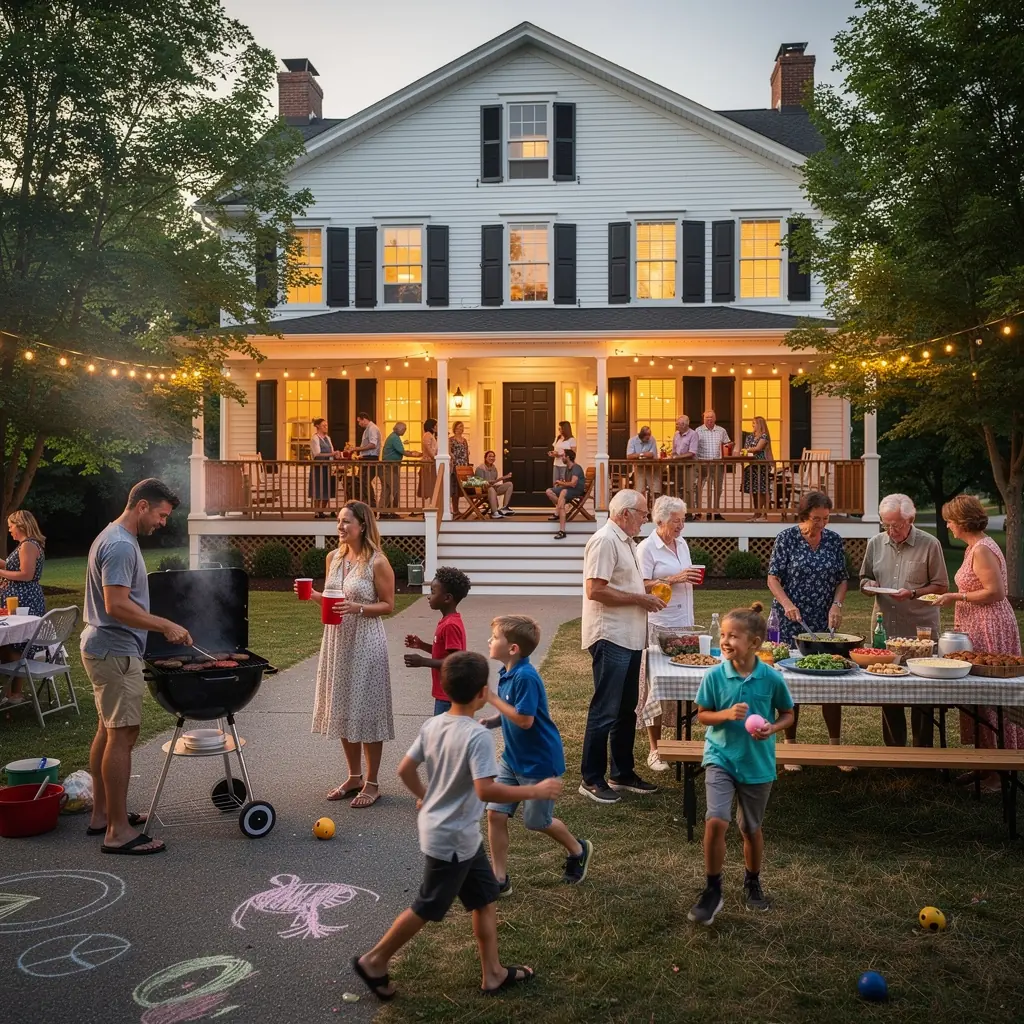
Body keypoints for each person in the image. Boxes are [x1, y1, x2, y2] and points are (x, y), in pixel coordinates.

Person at [351, 650, 561, 1001]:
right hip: (452, 839)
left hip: (460, 835)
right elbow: (486, 790)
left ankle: (493, 973)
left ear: (446, 689)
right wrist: (534, 791)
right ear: (482, 694)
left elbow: (404, 770)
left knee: (485, 898)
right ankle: (374, 960)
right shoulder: (477, 736)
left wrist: (426, 795)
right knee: (428, 905)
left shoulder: (433, 725)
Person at [81, 478, 192, 855]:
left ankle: (103, 815)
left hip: (105, 647)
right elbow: (116, 605)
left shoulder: (112, 537)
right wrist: (165, 625)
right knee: (123, 734)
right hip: (115, 649)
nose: (162, 522)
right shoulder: (121, 545)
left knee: (108, 730)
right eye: (161, 515)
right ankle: (118, 832)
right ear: (142, 505)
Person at [686, 603, 795, 925]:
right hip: (720, 757)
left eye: (733, 636)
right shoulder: (715, 675)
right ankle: (712, 889)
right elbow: (703, 715)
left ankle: (752, 881)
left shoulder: (771, 678)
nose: (725, 641)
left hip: (757, 763)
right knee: (716, 820)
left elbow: (788, 714)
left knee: (750, 828)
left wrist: (773, 728)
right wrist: (725, 714)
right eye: (723, 635)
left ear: (754, 643)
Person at [482, 615, 593, 894]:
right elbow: (512, 710)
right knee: (495, 814)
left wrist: (492, 699)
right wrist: (493, 721)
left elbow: (524, 719)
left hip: (539, 763)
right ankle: (499, 879)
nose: (489, 640)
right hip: (512, 759)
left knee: (536, 822)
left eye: (495, 637)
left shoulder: (526, 677)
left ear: (513, 648)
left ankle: (578, 850)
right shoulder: (507, 673)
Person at [305, 500, 396, 809]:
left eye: (346, 521)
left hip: (366, 641)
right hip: (337, 641)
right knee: (343, 705)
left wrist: (358, 608)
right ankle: (354, 777)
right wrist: (314, 596)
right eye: (338, 520)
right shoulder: (333, 558)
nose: (340, 526)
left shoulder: (378, 562)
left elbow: (388, 605)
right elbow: (333, 600)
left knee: (367, 709)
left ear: (362, 525)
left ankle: (372, 783)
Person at [579, 488, 664, 804]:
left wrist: (648, 591)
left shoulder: (626, 542)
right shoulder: (605, 540)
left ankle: (622, 773)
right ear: (625, 513)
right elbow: (595, 590)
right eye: (642, 513)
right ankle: (591, 779)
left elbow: (623, 584)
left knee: (627, 709)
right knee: (605, 709)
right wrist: (639, 599)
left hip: (629, 637)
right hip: (610, 635)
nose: (645, 519)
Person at [935, 495, 1023, 788]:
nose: (948, 526)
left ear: (962, 522)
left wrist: (956, 596)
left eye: (950, 521)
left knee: (990, 696)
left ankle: (998, 772)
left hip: (989, 625)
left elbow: (996, 592)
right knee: (977, 697)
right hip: (975, 623)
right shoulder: (973, 547)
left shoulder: (983, 549)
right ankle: (984, 764)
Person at [766, 491, 851, 769]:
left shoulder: (833, 540)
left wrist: (837, 605)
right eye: (816, 519)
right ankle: (791, 748)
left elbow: (842, 579)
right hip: (791, 618)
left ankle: (835, 748)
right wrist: (787, 604)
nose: (821, 524)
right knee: (791, 683)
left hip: (823, 620)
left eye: (826, 519)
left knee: (831, 681)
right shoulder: (787, 538)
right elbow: (773, 578)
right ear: (804, 516)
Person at [860, 494, 949, 747]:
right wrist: (869, 585)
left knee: (923, 692)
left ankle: (922, 751)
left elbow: (941, 586)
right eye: (886, 524)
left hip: (920, 632)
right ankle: (895, 750)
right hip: (885, 628)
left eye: (896, 525)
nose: (891, 530)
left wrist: (913, 593)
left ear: (910, 519)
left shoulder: (930, 544)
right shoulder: (875, 543)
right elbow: (864, 578)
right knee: (889, 691)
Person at [636, 496, 702, 771]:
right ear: (660, 520)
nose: (681, 526)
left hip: (684, 624)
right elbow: (640, 585)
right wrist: (674, 579)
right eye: (676, 521)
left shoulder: (682, 544)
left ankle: (680, 744)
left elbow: (685, 575)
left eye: (683, 520)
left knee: (683, 685)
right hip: (659, 625)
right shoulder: (647, 548)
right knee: (656, 689)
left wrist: (688, 578)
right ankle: (655, 749)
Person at [404, 565, 471, 715]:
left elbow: (455, 662)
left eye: (433, 592)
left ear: (447, 598)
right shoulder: (448, 621)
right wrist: (422, 645)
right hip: (445, 692)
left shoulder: (450, 625)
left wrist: (422, 661)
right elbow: (445, 653)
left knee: (443, 730)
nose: (429, 596)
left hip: (448, 695)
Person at [0, 510, 47, 703]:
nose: (10, 530)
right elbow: (14, 568)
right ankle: (11, 692)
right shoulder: (27, 545)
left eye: (11, 526)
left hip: (25, 600)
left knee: (17, 644)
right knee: (11, 644)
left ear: (20, 525)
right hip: (22, 598)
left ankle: (15, 693)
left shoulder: (28, 544)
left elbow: (26, 574)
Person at [695, 410, 730, 520]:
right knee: (699, 488)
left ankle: (716, 511)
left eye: (711, 417)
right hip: (702, 463)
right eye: (707, 417)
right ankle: (698, 511)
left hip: (717, 463)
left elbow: (727, 444)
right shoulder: (698, 431)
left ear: (715, 419)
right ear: (703, 419)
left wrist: (730, 448)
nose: (709, 419)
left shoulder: (721, 430)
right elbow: (694, 447)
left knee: (718, 488)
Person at [380, 422, 420, 519]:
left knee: (387, 489)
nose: (405, 431)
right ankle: (390, 511)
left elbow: (400, 451)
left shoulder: (393, 437)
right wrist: (416, 455)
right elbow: (403, 452)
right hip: (390, 467)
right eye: (404, 429)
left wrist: (411, 452)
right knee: (395, 489)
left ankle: (383, 511)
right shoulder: (395, 438)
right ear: (399, 429)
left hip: (388, 467)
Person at [545, 448, 585, 539]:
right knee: (549, 491)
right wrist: (562, 483)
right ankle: (562, 507)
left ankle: (562, 531)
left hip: (576, 490)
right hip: (569, 489)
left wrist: (561, 483)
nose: (561, 457)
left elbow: (573, 484)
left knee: (563, 493)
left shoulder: (576, 468)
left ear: (568, 457)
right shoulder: (568, 467)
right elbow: (568, 483)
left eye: (563, 456)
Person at [741, 416, 773, 522]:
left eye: (754, 423)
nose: (752, 425)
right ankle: (756, 513)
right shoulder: (750, 437)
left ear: (759, 424)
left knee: (761, 490)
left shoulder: (764, 436)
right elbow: (747, 449)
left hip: (761, 465)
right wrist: (747, 450)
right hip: (751, 466)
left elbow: (758, 448)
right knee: (754, 491)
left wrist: (747, 450)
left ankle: (764, 514)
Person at [308, 418, 341, 519]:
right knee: (318, 488)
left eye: (326, 425)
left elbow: (331, 451)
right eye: (324, 425)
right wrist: (332, 454)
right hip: (318, 467)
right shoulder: (315, 438)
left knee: (327, 488)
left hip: (328, 466)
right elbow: (317, 454)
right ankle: (316, 511)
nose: (326, 427)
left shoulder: (328, 438)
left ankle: (321, 510)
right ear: (318, 426)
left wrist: (336, 455)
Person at [670, 415, 699, 516]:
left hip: (689, 466)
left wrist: (677, 457)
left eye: (678, 424)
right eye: (676, 424)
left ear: (685, 425)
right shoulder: (676, 434)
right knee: (677, 489)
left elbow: (692, 452)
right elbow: (674, 450)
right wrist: (673, 456)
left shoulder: (693, 434)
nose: (676, 426)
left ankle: (689, 513)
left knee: (688, 489)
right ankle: (678, 512)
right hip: (677, 466)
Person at [354, 412, 383, 508]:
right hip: (366, 457)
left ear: (364, 419)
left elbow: (373, 444)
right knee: (363, 481)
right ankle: (367, 503)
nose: (359, 424)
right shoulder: (368, 429)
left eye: (359, 421)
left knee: (365, 481)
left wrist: (357, 449)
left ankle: (371, 504)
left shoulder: (372, 428)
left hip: (370, 458)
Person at [475, 451, 514, 518]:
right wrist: (502, 478)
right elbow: (481, 483)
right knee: (491, 489)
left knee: (509, 484)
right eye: (490, 456)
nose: (492, 458)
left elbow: (493, 482)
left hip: (492, 487)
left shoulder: (494, 468)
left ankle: (504, 508)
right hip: (483, 489)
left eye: (493, 456)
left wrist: (499, 480)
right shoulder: (480, 468)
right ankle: (494, 512)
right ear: (485, 458)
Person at [626, 426, 660, 501]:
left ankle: (655, 506)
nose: (648, 438)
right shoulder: (632, 441)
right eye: (647, 438)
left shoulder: (652, 439)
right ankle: (641, 506)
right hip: (639, 467)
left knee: (655, 490)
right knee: (639, 490)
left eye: (649, 436)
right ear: (641, 436)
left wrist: (637, 455)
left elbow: (652, 455)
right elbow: (629, 456)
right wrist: (643, 454)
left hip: (652, 467)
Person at [448, 421, 470, 518]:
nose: (461, 428)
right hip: (455, 465)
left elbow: (466, 453)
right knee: (455, 488)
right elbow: (449, 451)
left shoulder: (464, 440)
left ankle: (459, 509)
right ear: (455, 428)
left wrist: (467, 465)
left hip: (463, 466)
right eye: (460, 426)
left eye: (462, 426)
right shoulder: (451, 440)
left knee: (462, 488)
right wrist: (453, 457)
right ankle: (455, 510)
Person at [417, 418, 439, 509]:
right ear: (432, 426)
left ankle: (432, 505)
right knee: (429, 486)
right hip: (428, 463)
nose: (437, 427)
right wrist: (434, 457)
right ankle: (428, 507)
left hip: (432, 463)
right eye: (436, 425)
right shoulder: (427, 435)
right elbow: (428, 448)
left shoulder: (431, 435)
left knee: (433, 485)